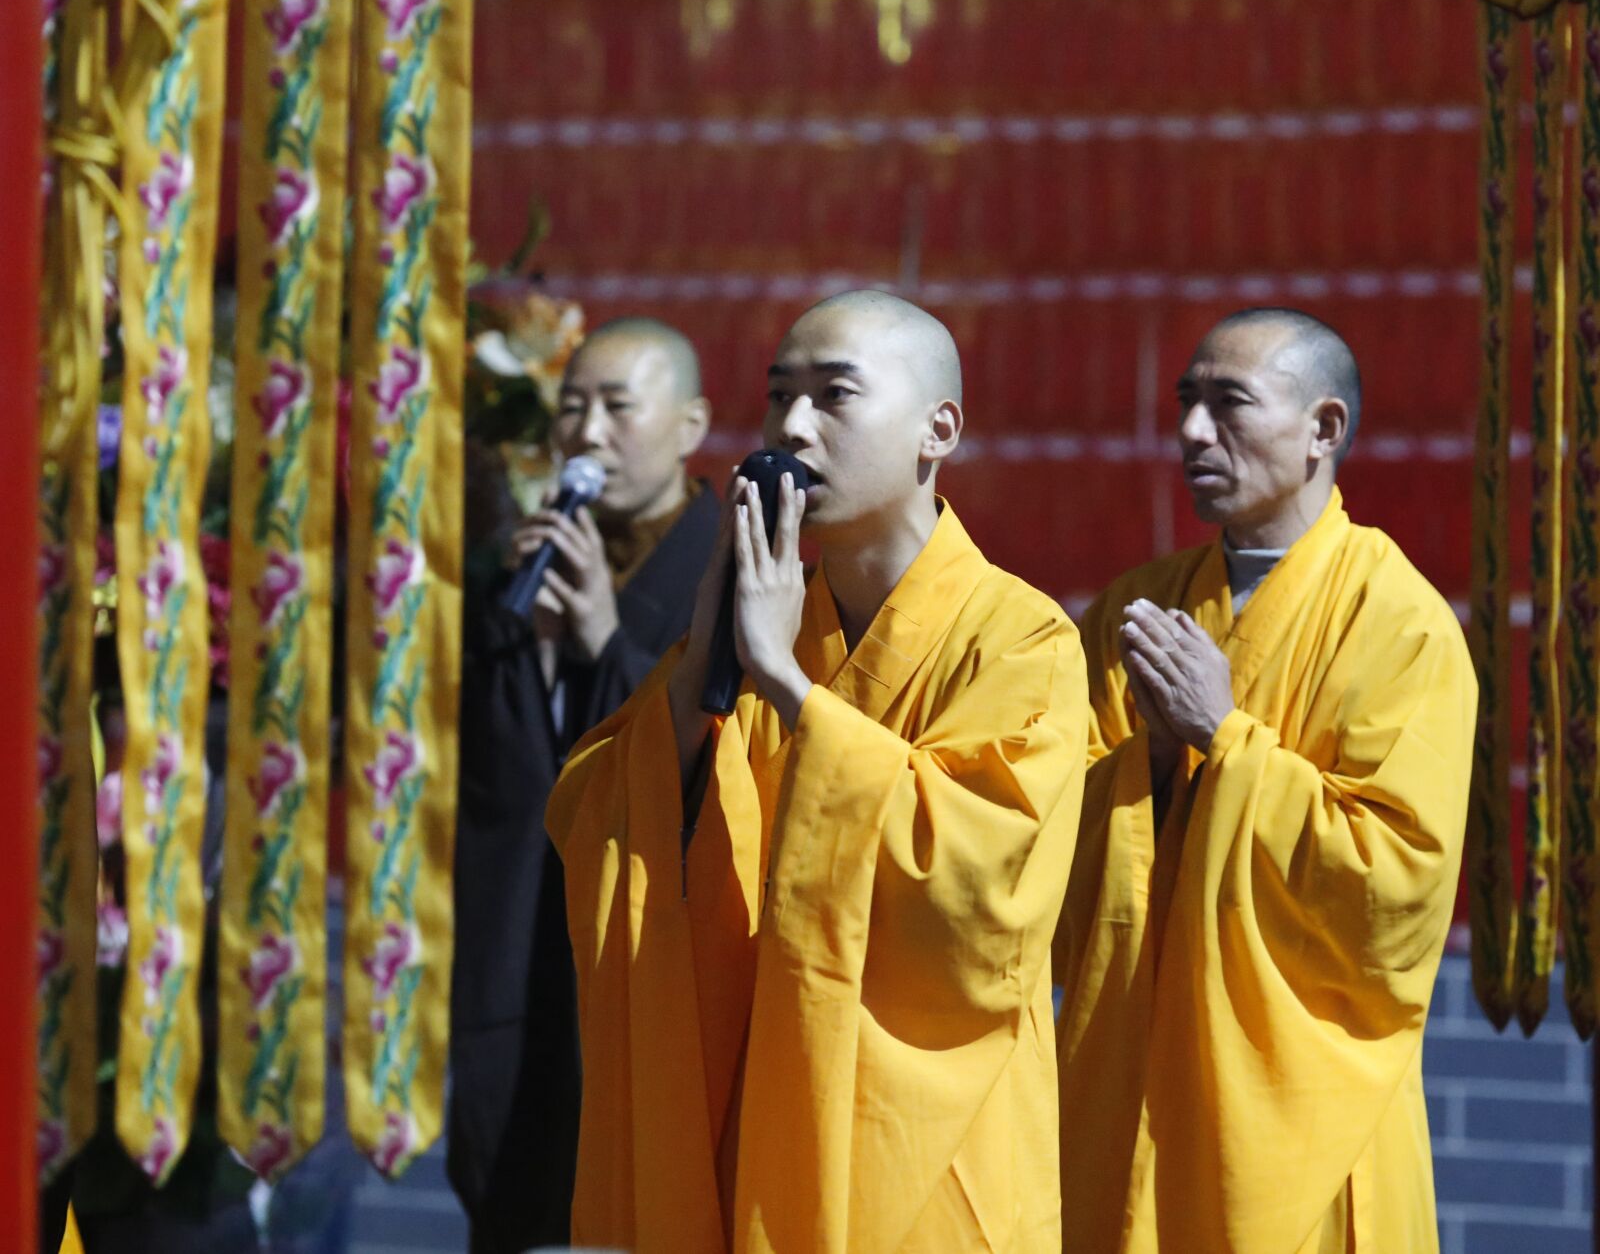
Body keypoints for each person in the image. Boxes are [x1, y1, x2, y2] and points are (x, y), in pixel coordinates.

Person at [546, 290, 1086, 1252]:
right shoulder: (764, 620)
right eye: (779, 396)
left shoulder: (1022, 639)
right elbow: (597, 813)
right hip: (758, 1119)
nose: (793, 427)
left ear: (939, 430)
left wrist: (790, 688)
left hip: (927, 1156)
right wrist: (713, 654)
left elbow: (983, 887)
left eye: (834, 395)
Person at [1054, 309, 1475, 1253]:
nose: (1193, 433)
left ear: (1324, 429)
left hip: (1307, 1119)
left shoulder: (1400, 623)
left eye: (1228, 404)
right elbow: (1042, 846)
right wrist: (1154, 762)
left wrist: (1224, 737)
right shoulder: (1136, 608)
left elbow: (1396, 886)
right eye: (1185, 404)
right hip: (1131, 1085)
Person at [448, 317, 718, 1253]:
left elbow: (718, 761)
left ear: (690, 425)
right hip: (521, 951)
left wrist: (608, 642)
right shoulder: (524, 574)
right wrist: (526, 635)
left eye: (616, 406)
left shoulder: (728, 571)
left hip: (649, 954)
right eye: (572, 406)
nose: (587, 433)